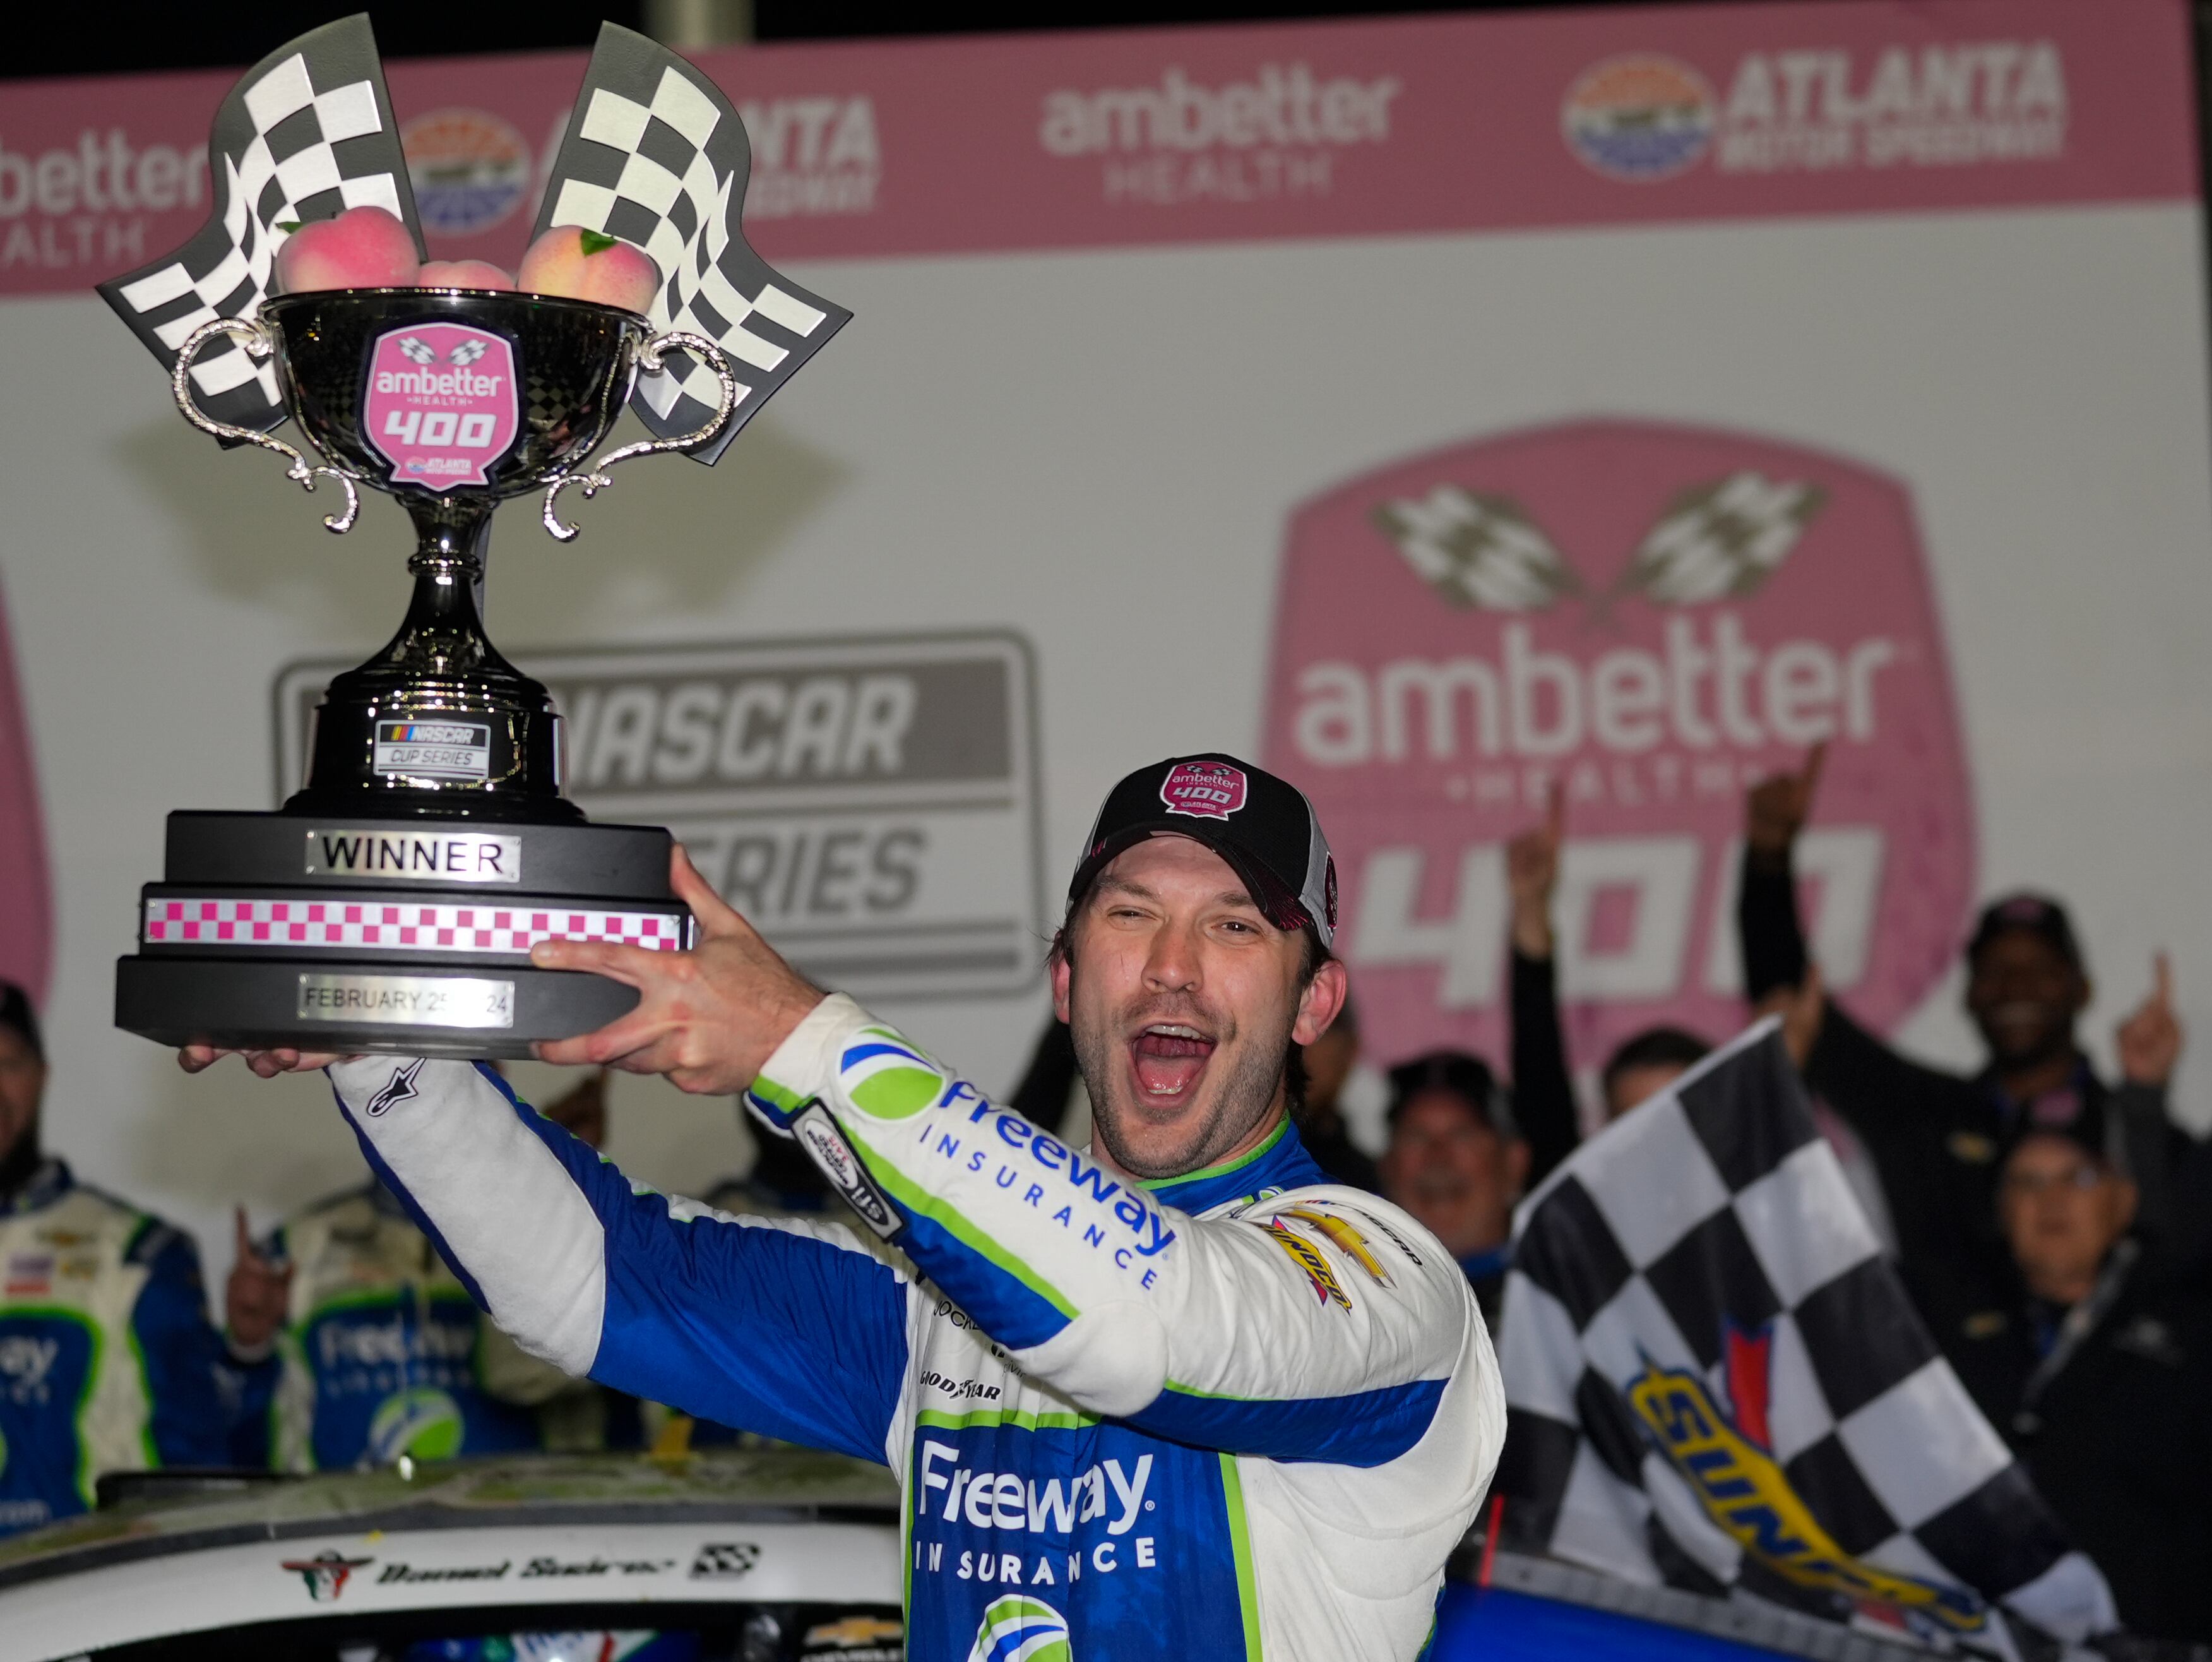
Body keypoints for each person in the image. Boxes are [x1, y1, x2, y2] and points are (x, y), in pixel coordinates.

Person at [187, 753, 1503, 1662]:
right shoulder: (945, 1301)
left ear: (1314, 1002)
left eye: (1234, 927)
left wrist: (796, 1040)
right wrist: (381, 1047)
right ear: (1065, 979)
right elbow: (589, 1278)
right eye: (1130, 913)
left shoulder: (1389, 1286)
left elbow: (1144, 1323)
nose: (1170, 966)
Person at [1740, 744, 2190, 1300]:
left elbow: (2177, 1271)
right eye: (1995, 972)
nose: (2016, 987)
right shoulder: (1921, 1115)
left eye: (2040, 971)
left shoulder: (2133, 1129)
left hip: (2103, 1360)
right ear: (1969, 996)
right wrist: (1768, 857)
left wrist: (2146, 1098)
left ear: (2083, 990)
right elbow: (1793, 1006)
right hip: (1935, 1358)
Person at [224, 1068, 640, 1469]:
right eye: (404, 1072)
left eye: (459, 1072)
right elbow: (236, 1442)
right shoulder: (298, 1247)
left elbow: (600, 1398)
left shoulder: (543, 1230)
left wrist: (549, 1179)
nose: (420, 1091)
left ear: (493, 1084)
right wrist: (249, 1347)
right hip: (343, 1517)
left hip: (515, 1512)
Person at [1917, 1103, 2212, 1642]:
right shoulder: (1942, 1326)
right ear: (2002, 1213)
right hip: (1961, 1635)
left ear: (2124, 1202)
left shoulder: (2190, 1331)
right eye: (2027, 1183)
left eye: (2078, 1178)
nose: (2051, 1200)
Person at [0, 982, 227, 1535]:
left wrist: (250, 1353)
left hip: (84, 1580)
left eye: (8, 1064)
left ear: (42, 1077)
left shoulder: (136, 1252)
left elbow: (202, 1466)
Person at [1376, 1052, 1526, 1325]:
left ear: (1514, 1164)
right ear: (1387, 1167)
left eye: (1462, 1136)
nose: (1438, 1157)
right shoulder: (1348, 1298)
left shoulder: (1560, 1297)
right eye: (1416, 1137)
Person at [1295, 993, 1381, 1192]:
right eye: (1289, 1029)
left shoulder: (1368, 1179)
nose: (1303, 1049)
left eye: (1319, 1032)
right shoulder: (1237, 1160)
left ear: (1350, 1049)